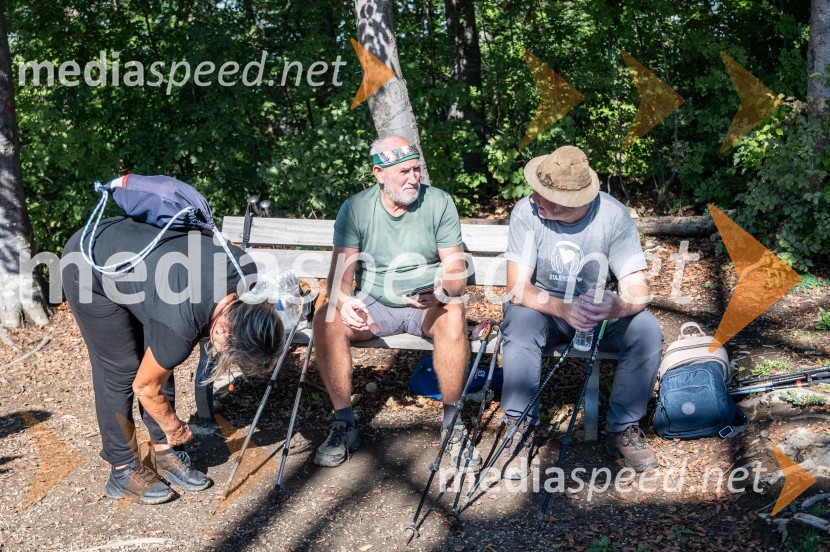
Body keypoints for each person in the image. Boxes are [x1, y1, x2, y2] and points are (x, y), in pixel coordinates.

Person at [62, 216, 285, 504]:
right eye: (228, 353)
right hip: (88, 260)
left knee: (161, 359)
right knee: (120, 371)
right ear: (223, 330)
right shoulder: (180, 323)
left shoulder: (246, 273)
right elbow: (145, 387)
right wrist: (173, 426)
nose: (222, 356)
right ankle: (122, 468)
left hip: (143, 267)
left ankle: (163, 451)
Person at [312, 135, 479, 471]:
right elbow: (339, 278)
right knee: (326, 319)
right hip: (376, 302)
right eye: (404, 171)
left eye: (417, 169)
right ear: (379, 173)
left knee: (453, 312)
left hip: (427, 302)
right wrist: (344, 302)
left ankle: (453, 424)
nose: (414, 178)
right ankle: (344, 423)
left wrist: (441, 291)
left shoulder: (439, 202)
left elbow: (456, 270)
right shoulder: (356, 209)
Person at [497, 145, 663, 480]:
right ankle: (519, 428)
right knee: (519, 322)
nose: (533, 198)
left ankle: (623, 428)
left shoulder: (612, 215)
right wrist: (562, 308)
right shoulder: (527, 213)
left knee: (646, 330)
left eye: (542, 196)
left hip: (596, 317)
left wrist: (618, 306)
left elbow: (637, 289)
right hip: (545, 311)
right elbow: (517, 288)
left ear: (569, 204)